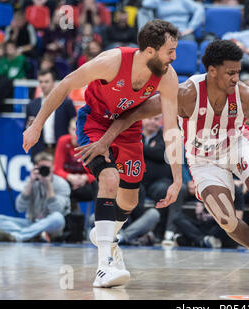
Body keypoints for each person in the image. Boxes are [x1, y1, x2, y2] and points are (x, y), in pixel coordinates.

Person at [75, 39, 249, 289]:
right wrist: (105, 140)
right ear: (212, 71)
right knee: (226, 220)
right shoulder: (186, 93)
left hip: (237, 145)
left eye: (238, 71)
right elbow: (131, 116)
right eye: (231, 72)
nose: (237, 78)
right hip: (202, 158)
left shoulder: (245, 95)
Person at [22, 20, 183, 288]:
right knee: (109, 180)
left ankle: (104, 234)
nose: (175, 57)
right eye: (170, 51)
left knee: (129, 202)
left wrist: (177, 178)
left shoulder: (168, 76)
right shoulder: (112, 62)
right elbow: (64, 84)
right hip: (95, 123)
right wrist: (37, 125)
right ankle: (104, 265)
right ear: (150, 51)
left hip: (130, 131)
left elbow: (171, 131)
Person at [0, 152, 70, 243]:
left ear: (53, 167)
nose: (44, 171)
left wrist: (48, 185)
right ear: (35, 167)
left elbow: (56, 210)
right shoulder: (31, 182)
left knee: (58, 218)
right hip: (32, 223)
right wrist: (30, 183)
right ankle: (35, 235)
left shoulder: (61, 184)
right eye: (41, 168)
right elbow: (20, 208)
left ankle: (17, 236)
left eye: (47, 168)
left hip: (51, 226)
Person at [139, 114, 188, 245]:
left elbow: (161, 153)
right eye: (149, 118)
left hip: (159, 182)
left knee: (165, 190)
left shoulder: (166, 136)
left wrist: (142, 148)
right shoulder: (135, 135)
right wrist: (151, 150)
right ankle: (142, 232)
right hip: (139, 182)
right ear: (142, 119)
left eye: (156, 119)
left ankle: (164, 233)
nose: (152, 122)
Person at [24, 69, 76, 161]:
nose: (43, 85)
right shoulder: (32, 105)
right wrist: (29, 126)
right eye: (41, 82)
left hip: (61, 147)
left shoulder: (66, 103)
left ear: (53, 83)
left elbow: (74, 124)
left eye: (46, 81)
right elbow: (26, 128)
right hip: (40, 148)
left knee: (60, 173)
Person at [53, 117, 98, 214]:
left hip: (86, 185)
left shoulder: (91, 144)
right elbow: (56, 169)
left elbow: (98, 172)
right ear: (69, 130)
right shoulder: (63, 141)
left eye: (79, 129)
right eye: (74, 129)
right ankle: (61, 223)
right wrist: (70, 177)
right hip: (68, 184)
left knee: (99, 183)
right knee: (55, 183)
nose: (76, 133)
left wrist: (85, 178)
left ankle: (100, 218)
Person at [140, 0, 204, 41]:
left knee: (189, 43)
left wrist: (191, 28)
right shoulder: (158, 2)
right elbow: (145, 3)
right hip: (164, 33)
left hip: (183, 32)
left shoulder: (183, 1)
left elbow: (199, 9)